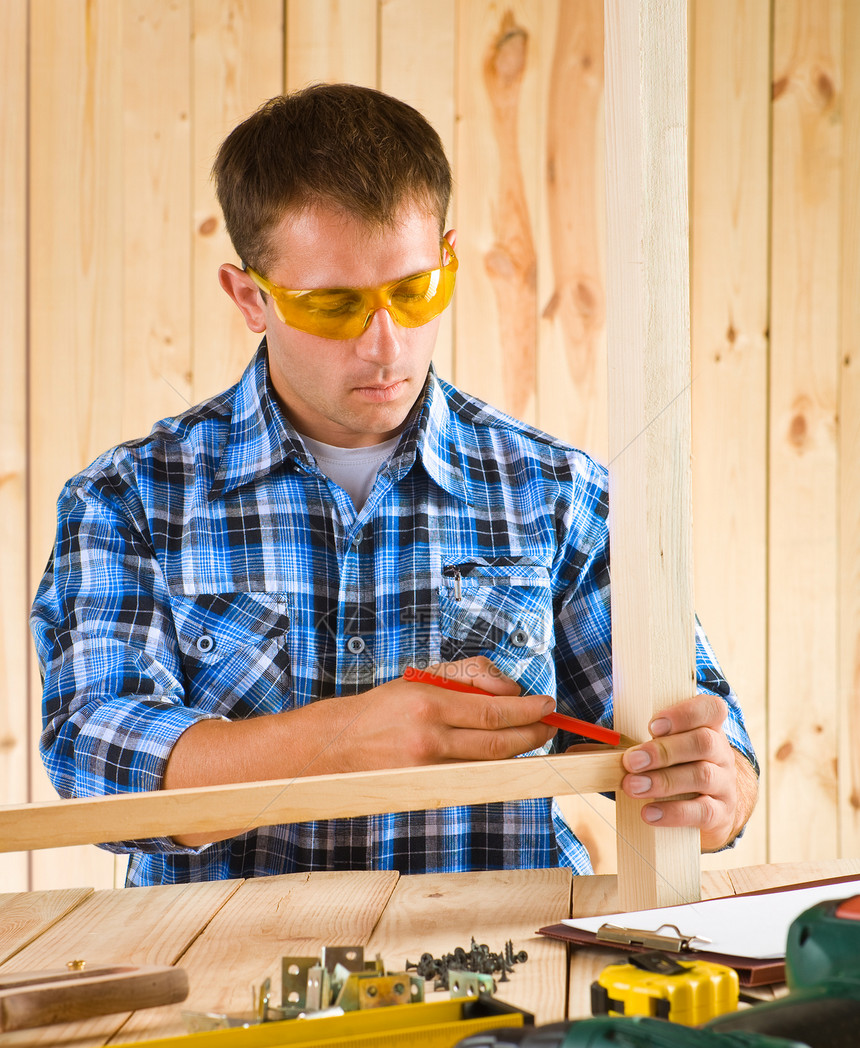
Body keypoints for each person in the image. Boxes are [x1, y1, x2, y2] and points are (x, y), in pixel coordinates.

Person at [31, 84, 758, 886]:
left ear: (448, 258)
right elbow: (93, 756)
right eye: (335, 306)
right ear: (251, 297)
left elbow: (715, 760)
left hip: (501, 975)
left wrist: (717, 789)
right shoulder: (129, 499)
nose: (386, 346)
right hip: (226, 986)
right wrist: (340, 741)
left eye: (415, 293)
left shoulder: (558, 492)